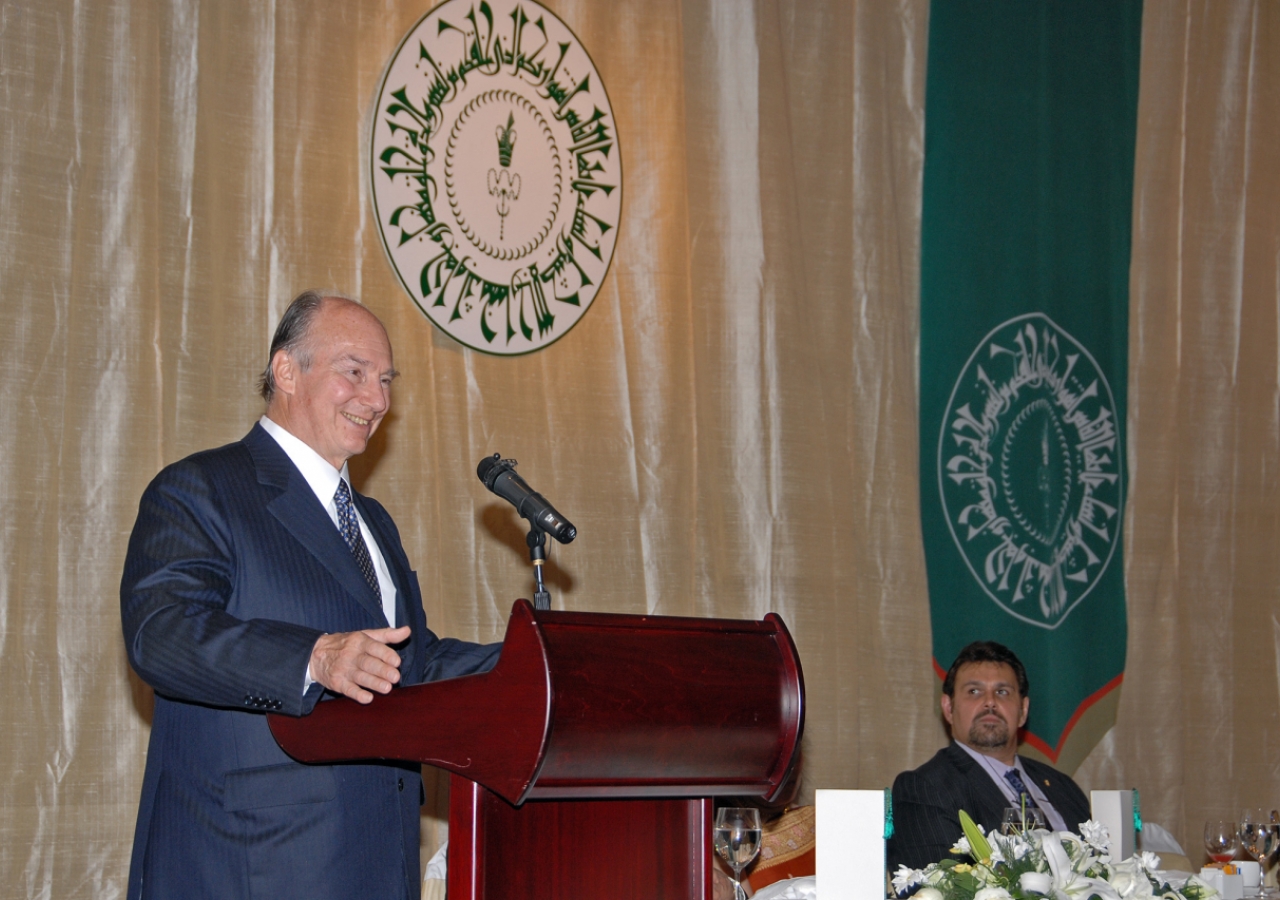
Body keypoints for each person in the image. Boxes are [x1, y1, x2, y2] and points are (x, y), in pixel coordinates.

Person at [120, 291, 502, 900]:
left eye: (384, 380)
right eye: (354, 372)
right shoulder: (201, 488)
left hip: (380, 857)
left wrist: (542, 664)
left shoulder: (372, 520)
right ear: (286, 371)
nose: (377, 400)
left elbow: (408, 661)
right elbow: (161, 634)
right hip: (253, 864)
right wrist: (314, 657)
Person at [887, 641, 1092, 873]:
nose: (990, 702)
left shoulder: (1063, 786)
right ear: (948, 708)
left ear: (1023, 711)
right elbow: (940, 888)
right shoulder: (925, 788)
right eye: (974, 691)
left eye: (1002, 692)